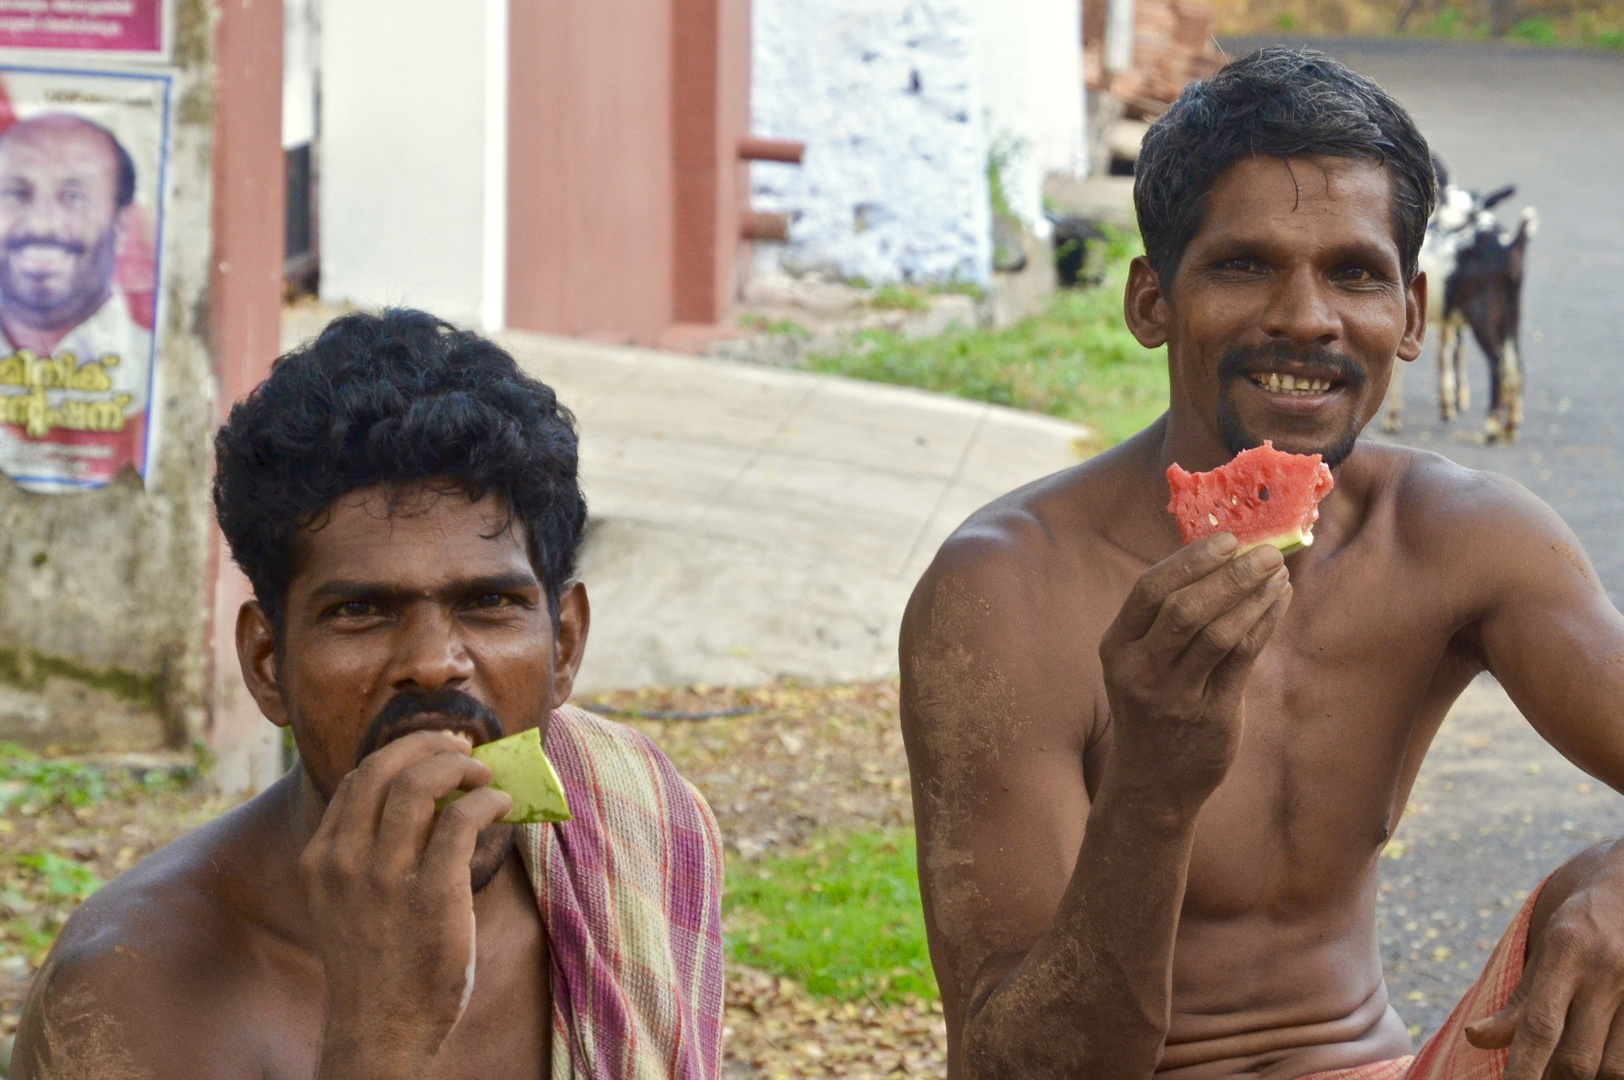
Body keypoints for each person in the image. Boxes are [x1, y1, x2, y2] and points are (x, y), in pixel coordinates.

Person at [901, 48, 1624, 1080]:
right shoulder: (1002, 591)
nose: (1305, 316)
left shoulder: (1460, 537)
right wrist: (1151, 786)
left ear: (1411, 316)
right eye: (1244, 265)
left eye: (1354, 273)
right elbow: (1014, 1065)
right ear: (1151, 301)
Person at [13, 310, 725, 1079]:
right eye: (359, 610)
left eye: (489, 603)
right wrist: (378, 1036)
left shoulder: (635, 816)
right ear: (265, 662)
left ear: (564, 647)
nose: (432, 663)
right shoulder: (129, 1000)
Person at [0, 112, 153, 489]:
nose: (42, 224)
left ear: (122, 227)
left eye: (73, 197)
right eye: (16, 193)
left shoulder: (155, 365)